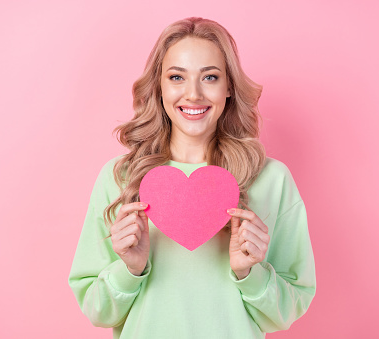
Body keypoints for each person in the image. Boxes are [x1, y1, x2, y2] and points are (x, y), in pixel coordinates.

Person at [68, 17, 316, 339]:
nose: (193, 94)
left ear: (229, 87)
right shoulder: (121, 178)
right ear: (159, 86)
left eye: (210, 77)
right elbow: (96, 309)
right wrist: (131, 269)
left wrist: (249, 273)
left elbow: (289, 309)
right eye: (176, 77)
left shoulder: (271, 180)